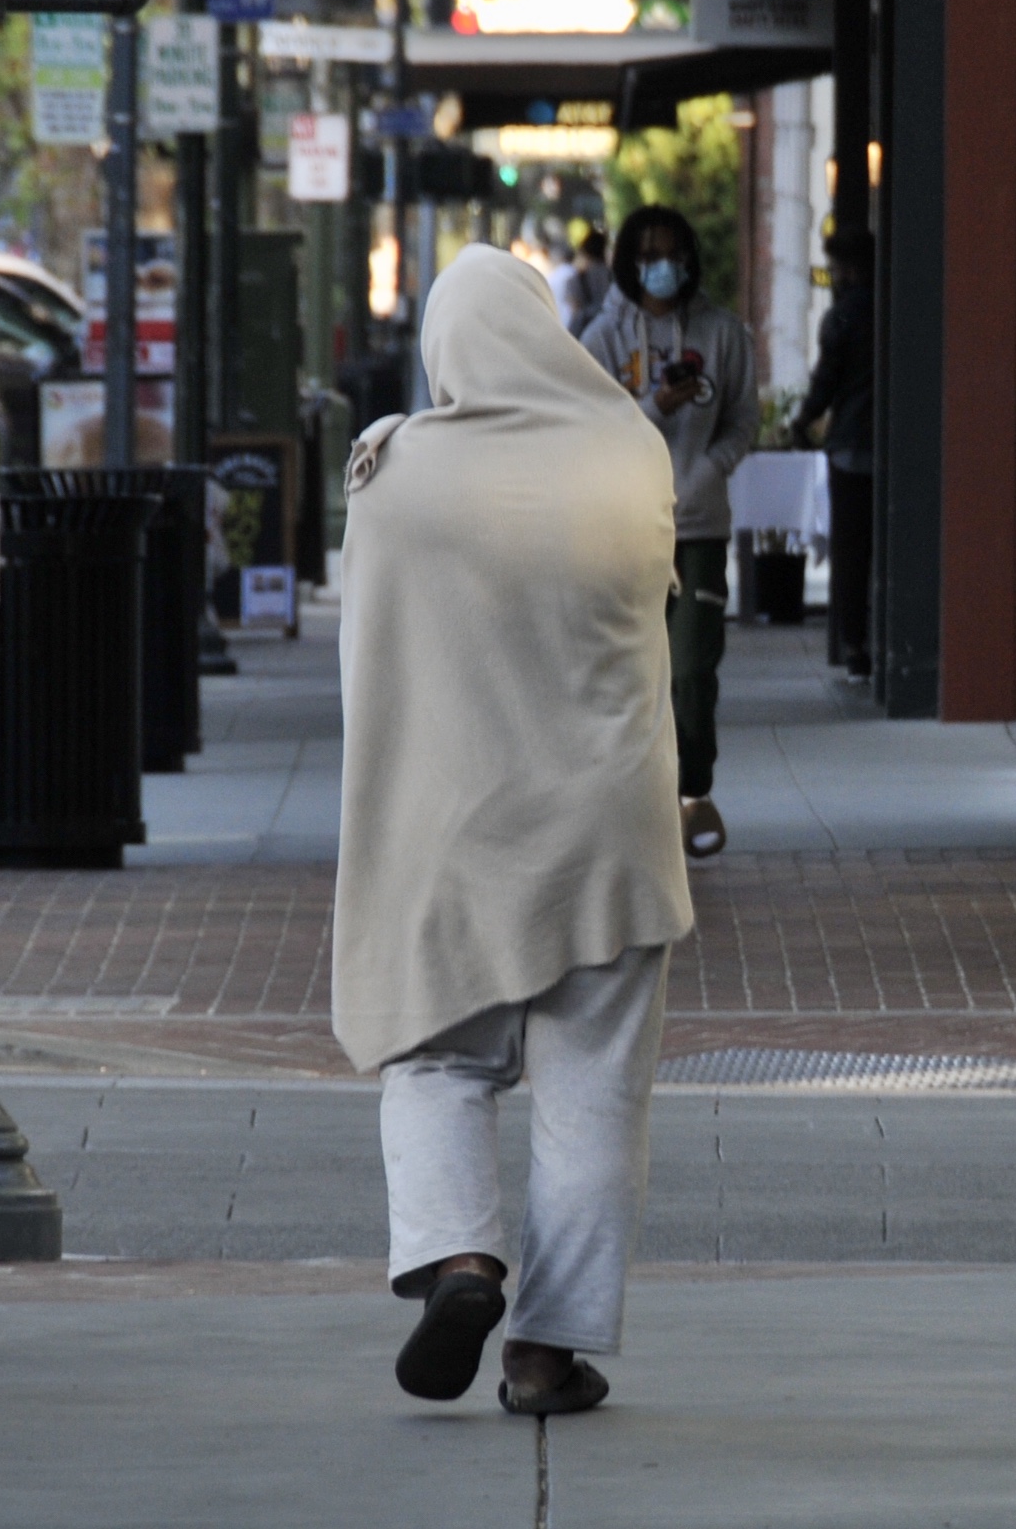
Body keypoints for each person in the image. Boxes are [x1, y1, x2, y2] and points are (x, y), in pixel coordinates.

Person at [334, 245, 696, 1418]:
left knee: (435, 1058)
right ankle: (546, 1356)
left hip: (454, 831)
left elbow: (369, 650)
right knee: (595, 1096)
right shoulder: (631, 449)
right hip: (608, 831)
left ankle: (463, 1261)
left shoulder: (396, 471)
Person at [579, 205, 755, 860]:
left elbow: (742, 420)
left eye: (674, 254)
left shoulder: (722, 334)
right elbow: (595, 428)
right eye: (650, 254)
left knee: (691, 668)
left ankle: (692, 791)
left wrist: (710, 469)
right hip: (625, 529)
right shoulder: (603, 339)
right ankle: (634, 804)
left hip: (699, 527)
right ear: (629, 262)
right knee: (627, 672)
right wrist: (656, 405)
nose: (663, 266)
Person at [795, 224, 875, 680]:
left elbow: (826, 381)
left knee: (850, 549)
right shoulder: (889, 312)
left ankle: (855, 645)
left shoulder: (842, 318)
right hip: (883, 447)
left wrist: (803, 420)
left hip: (849, 446)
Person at [558, 225, 612, 337]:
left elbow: (574, 311)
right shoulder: (614, 278)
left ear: (584, 252)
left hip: (586, 338)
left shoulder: (576, 280)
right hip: (611, 335)